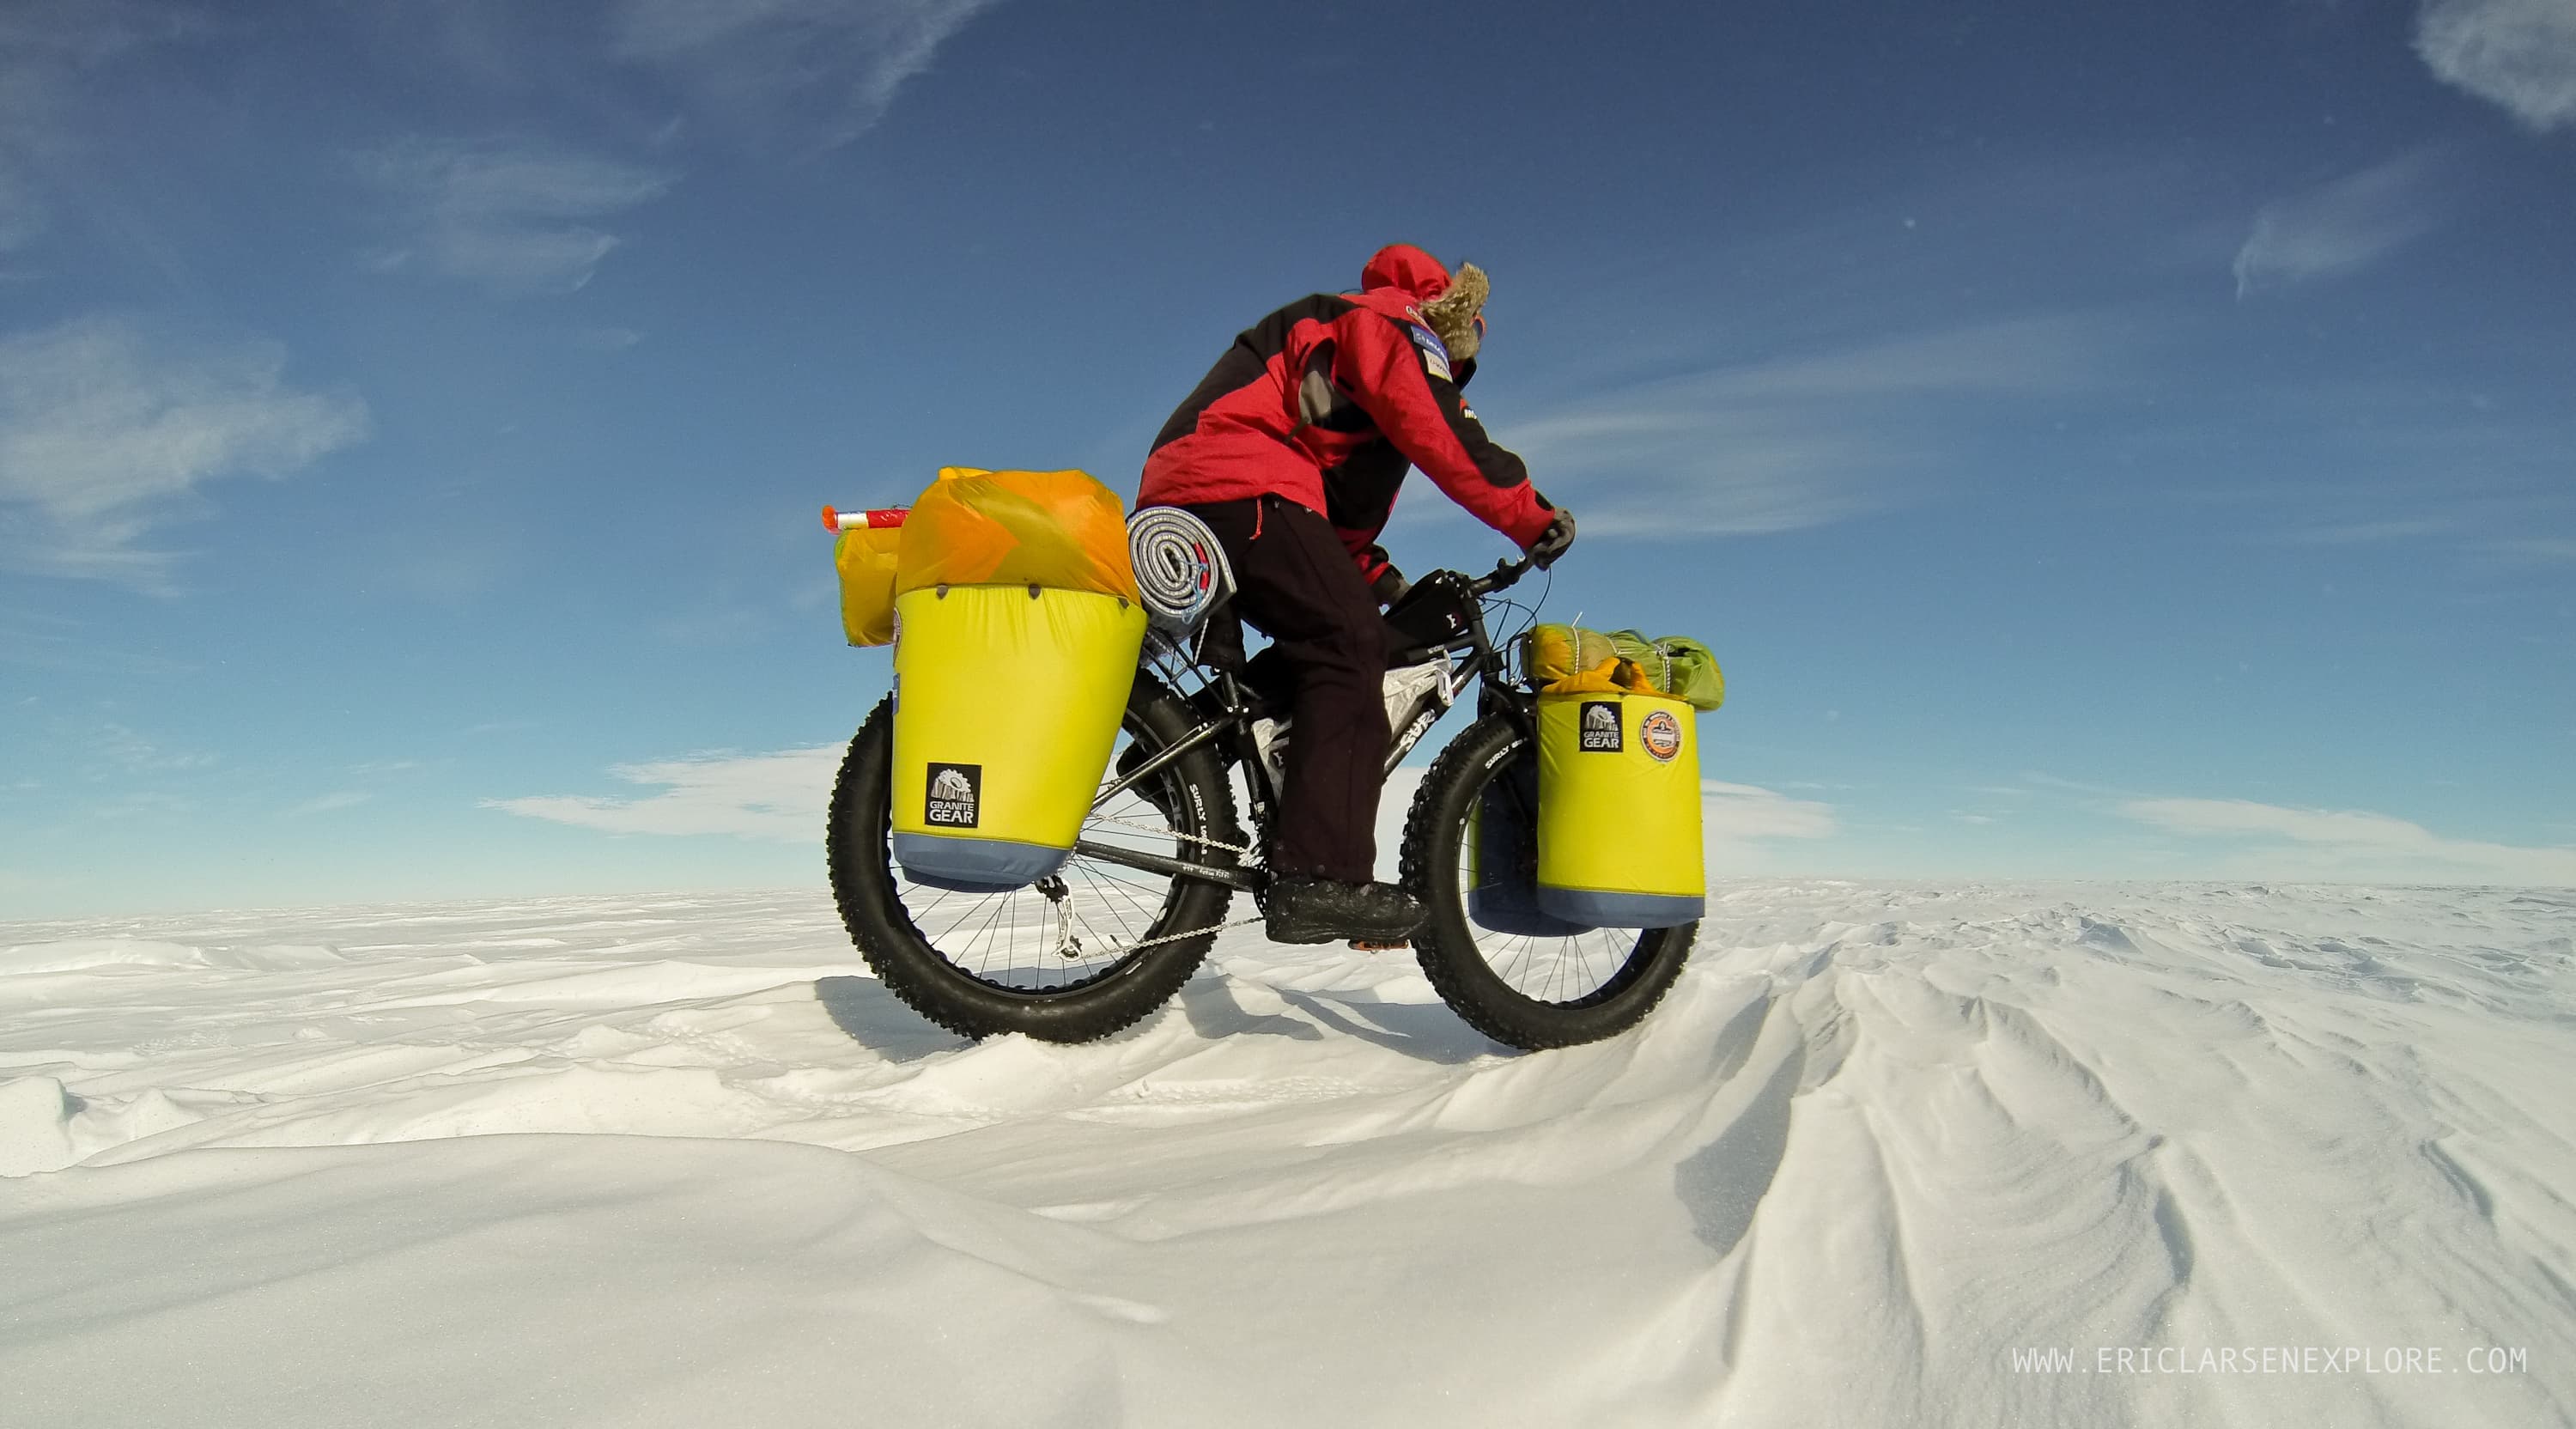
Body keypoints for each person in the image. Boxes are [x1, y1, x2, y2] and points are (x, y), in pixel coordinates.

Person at [1137, 243, 1577, 944]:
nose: (1455, 371)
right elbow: (1444, 436)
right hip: (1240, 480)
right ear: (1450, 316)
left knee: (1322, 639)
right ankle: (1322, 878)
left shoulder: (1344, 347)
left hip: (1222, 484)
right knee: (1349, 647)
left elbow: (1336, 516)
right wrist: (1531, 514)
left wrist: (1381, 580)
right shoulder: (1393, 325)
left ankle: (1170, 754)